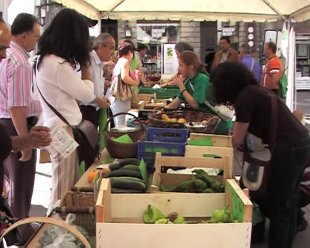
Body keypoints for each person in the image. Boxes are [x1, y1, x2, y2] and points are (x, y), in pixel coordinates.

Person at [211, 61, 310, 248]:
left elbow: (237, 139)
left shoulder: (245, 98)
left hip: (288, 149)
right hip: (302, 143)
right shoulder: (255, 91)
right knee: (289, 204)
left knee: (279, 207)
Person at [34, 8, 110, 212]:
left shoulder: (42, 60)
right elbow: (86, 94)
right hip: (62, 129)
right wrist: (86, 72)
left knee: (64, 183)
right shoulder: (57, 64)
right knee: (62, 190)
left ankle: (59, 231)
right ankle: (54, 234)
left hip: (55, 127)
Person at [0, 13, 41, 241]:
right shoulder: (18, 60)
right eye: (35, 36)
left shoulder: (11, 56)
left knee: (10, 183)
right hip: (15, 125)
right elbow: (17, 106)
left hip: (7, 124)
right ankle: (20, 233)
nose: (36, 41)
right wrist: (25, 141)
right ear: (23, 36)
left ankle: (15, 231)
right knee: (20, 185)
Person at [165, 51, 233, 134]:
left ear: (191, 66)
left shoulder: (201, 79)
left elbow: (195, 104)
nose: (178, 69)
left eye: (181, 65)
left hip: (219, 125)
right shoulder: (188, 82)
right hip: (207, 124)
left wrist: (181, 87)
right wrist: (162, 111)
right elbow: (175, 104)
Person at [80, 33, 115, 127]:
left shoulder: (99, 63)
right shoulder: (89, 60)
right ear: (100, 47)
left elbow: (96, 87)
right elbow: (85, 91)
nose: (113, 52)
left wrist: (102, 98)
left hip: (95, 109)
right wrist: (100, 101)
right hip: (86, 109)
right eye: (111, 48)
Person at [238, 44, 262, 152]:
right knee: (252, 117)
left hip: (245, 92)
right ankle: (249, 144)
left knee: (244, 117)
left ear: (242, 52)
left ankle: (246, 144)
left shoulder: (242, 64)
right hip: (256, 91)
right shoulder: (256, 63)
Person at [109, 41, 139, 126]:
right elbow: (124, 77)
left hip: (118, 98)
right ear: (130, 52)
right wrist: (134, 82)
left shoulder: (120, 61)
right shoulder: (125, 61)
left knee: (120, 123)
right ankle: (120, 139)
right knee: (121, 125)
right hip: (120, 98)